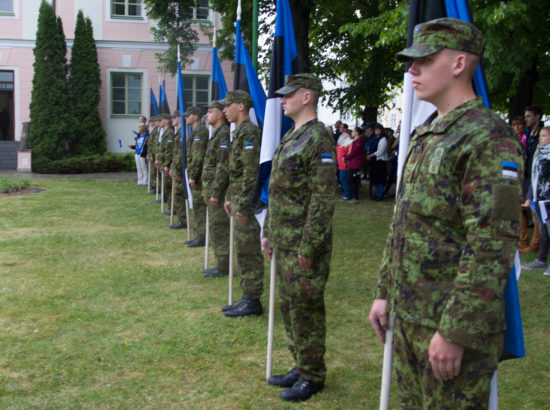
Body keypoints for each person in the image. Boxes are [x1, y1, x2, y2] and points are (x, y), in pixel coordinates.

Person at [368, 18, 523, 408]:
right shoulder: (427, 133)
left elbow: (491, 243)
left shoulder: (488, 137)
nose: (412, 70)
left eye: (424, 59)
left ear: (458, 64)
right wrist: (385, 293)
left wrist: (456, 331)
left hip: (449, 326)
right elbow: (403, 224)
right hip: (408, 314)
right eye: (410, 61)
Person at [262, 73, 335, 402]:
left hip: (303, 243)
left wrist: (310, 245)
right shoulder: (292, 136)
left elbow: (322, 199)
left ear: (307, 97)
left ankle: (313, 374)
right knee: (289, 307)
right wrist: (267, 232)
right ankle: (300, 362)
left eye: (289, 94)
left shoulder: (318, 139)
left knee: (305, 308)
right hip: (283, 238)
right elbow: (277, 192)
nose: (282, 99)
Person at [220, 90, 265, 317]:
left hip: (245, 202)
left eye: (227, 106)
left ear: (240, 106)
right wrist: (230, 198)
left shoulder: (249, 133)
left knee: (249, 249)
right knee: (242, 248)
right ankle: (247, 295)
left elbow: (250, 173)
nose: (224, 110)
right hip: (238, 199)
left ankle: (253, 299)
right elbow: (235, 173)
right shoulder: (239, 133)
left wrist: (245, 205)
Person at [202, 101, 231, 277]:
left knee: (220, 228)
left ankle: (223, 265)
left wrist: (215, 192)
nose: (207, 115)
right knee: (215, 227)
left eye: (210, 111)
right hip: (213, 189)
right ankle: (220, 262)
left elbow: (223, 165)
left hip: (218, 191)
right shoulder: (216, 134)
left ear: (220, 114)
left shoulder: (224, 134)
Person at [522, 126, 550, 276]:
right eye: (541, 136)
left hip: (548, 200)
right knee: (542, 230)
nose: (540, 138)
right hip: (539, 200)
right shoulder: (538, 154)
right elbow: (535, 178)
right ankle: (541, 260)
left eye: (544, 136)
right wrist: (529, 197)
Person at [519, 106, 544, 253]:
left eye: (529, 116)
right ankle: (523, 241)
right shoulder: (527, 134)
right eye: (525, 116)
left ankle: (535, 244)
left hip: (537, 176)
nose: (526, 119)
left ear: (537, 117)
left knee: (535, 210)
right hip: (525, 174)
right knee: (521, 207)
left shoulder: (543, 134)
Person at [185, 106, 209, 247]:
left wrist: (193, 176)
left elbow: (198, 156)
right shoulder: (196, 131)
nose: (186, 117)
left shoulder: (200, 131)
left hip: (199, 177)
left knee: (199, 207)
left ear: (196, 117)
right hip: (197, 175)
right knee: (197, 207)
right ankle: (198, 234)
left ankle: (201, 237)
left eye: (189, 115)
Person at [167, 111, 188, 229]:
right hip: (176, 168)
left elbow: (181, 154)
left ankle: (184, 220)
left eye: (173, 118)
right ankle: (182, 219)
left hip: (180, 170)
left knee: (180, 195)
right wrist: (172, 168)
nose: (171, 120)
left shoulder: (183, 133)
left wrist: (178, 170)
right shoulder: (179, 132)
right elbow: (175, 153)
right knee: (177, 194)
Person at [156, 113, 175, 214]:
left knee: (169, 187)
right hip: (164, 164)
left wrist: (167, 164)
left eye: (161, 120)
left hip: (167, 165)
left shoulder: (169, 133)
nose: (159, 122)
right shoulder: (165, 133)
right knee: (167, 187)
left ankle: (172, 208)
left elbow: (169, 151)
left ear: (167, 121)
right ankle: (170, 207)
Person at [367, 123, 388, 200]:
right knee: (375, 179)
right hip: (374, 161)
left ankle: (380, 194)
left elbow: (381, 151)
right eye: (376, 129)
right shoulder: (373, 139)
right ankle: (376, 193)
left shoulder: (383, 139)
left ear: (381, 130)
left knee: (380, 179)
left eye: (378, 129)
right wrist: (368, 155)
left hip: (380, 161)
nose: (377, 131)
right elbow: (370, 148)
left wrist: (371, 155)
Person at [343, 126, 364, 202]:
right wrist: (344, 156)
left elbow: (353, 152)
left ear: (357, 132)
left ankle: (355, 197)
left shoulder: (359, 142)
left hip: (355, 164)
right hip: (352, 164)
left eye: (353, 131)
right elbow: (349, 151)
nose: (352, 133)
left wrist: (345, 158)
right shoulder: (354, 142)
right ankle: (352, 196)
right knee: (350, 180)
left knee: (352, 181)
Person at [336, 128, 353, 200]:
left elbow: (349, 153)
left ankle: (347, 195)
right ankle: (346, 194)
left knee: (344, 180)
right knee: (342, 179)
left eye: (345, 134)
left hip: (344, 164)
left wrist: (346, 160)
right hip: (340, 163)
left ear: (348, 134)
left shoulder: (350, 142)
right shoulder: (344, 141)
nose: (343, 135)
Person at [146, 116, 160, 196]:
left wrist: (152, 155)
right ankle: (154, 186)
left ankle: (156, 187)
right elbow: (150, 145)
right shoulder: (153, 131)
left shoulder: (156, 131)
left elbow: (155, 145)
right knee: (152, 173)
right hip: (152, 155)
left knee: (155, 173)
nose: (150, 123)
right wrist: (149, 154)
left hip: (154, 156)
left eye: (151, 121)